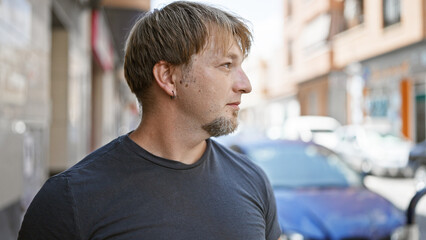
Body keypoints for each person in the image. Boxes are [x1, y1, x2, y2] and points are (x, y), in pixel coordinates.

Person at [18, 1, 281, 239]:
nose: (245, 85)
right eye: (226, 65)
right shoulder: (69, 199)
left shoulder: (253, 181)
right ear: (167, 77)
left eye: (241, 67)